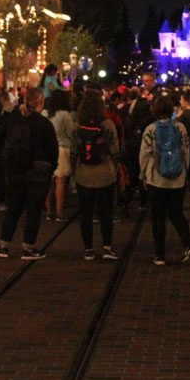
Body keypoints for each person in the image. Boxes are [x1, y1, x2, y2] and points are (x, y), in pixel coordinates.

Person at [0, 87, 58, 260]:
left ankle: (3, 245)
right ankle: (28, 247)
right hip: (37, 171)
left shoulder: (12, 120)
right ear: (40, 102)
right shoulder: (43, 123)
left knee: (13, 208)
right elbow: (53, 149)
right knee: (33, 210)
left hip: (15, 169)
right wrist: (52, 166)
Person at [139, 94, 190, 265]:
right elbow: (186, 151)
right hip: (178, 179)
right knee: (177, 213)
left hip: (157, 179)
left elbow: (144, 155)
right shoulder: (180, 128)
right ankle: (188, 244)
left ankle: (160, 254)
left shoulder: (151, 129)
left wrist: (144, 175)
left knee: (158, 217)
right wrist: (185, 172)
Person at [71, 89, 120, 260]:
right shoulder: (107, 125)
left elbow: (73, 151)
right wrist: (114, 167)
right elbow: (115, 151)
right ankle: (107, 246)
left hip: (83, 175)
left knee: (86, 213)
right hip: (105, 174)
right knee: (106, 213)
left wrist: (74, 170)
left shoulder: (77, 126)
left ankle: (88, 249)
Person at [44, 89, 74, 221]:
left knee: (48, 181)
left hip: (47, 148)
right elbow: (71, 133)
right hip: (61, 148)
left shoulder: (45, 113)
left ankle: (49, 211)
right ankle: (60, 212)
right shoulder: (64, 115)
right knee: (60, 181)